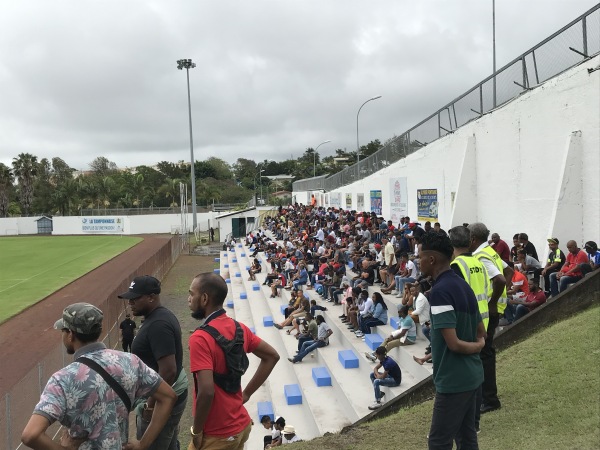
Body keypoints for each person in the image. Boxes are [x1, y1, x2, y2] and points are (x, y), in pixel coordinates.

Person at [21, 303, 177, 450]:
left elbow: (30, 435)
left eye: (64, 330)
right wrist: (143, 444)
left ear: (70, 335)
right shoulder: (130, 361)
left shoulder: (62, 379)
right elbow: (169, 397)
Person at [188, 272, 280, 450]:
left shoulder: (200, 338)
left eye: (192, 294)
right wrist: (246, 394)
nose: (189, 299)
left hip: (217, 433)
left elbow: (207, 392)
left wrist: (197, 432)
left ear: (205, 298)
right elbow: (272, 356)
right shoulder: (239, 328)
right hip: (241, 425)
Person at [421, 232, 486, 450]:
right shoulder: (463, 286)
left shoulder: (439, 292)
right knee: (467, 438)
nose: (417, 262)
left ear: (431, 259)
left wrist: (477, 346)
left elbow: (455, 343)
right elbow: (480, 331)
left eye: (420, 257)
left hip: (453, 380)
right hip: (473, 376)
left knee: (439, 442)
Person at [118, 275, 188, 450]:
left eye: (135, 298)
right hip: (163, 396)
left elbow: (169, 371)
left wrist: (150, 405)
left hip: (160, 400)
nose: (130, 303)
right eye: (129, 299)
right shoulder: (157, 317)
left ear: (151, 297)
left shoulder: (159, 324)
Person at [469, 223, 513, 415]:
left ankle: (490, 399)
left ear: (472, 239)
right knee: (486, 353)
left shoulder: (481, 255)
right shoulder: (490, 251)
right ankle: (486, 396)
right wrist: (505, 295)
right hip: (495, 310)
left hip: (490, 312)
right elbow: (509, 271)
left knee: (485, 355)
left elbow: (501, 279)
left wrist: (493, 302)